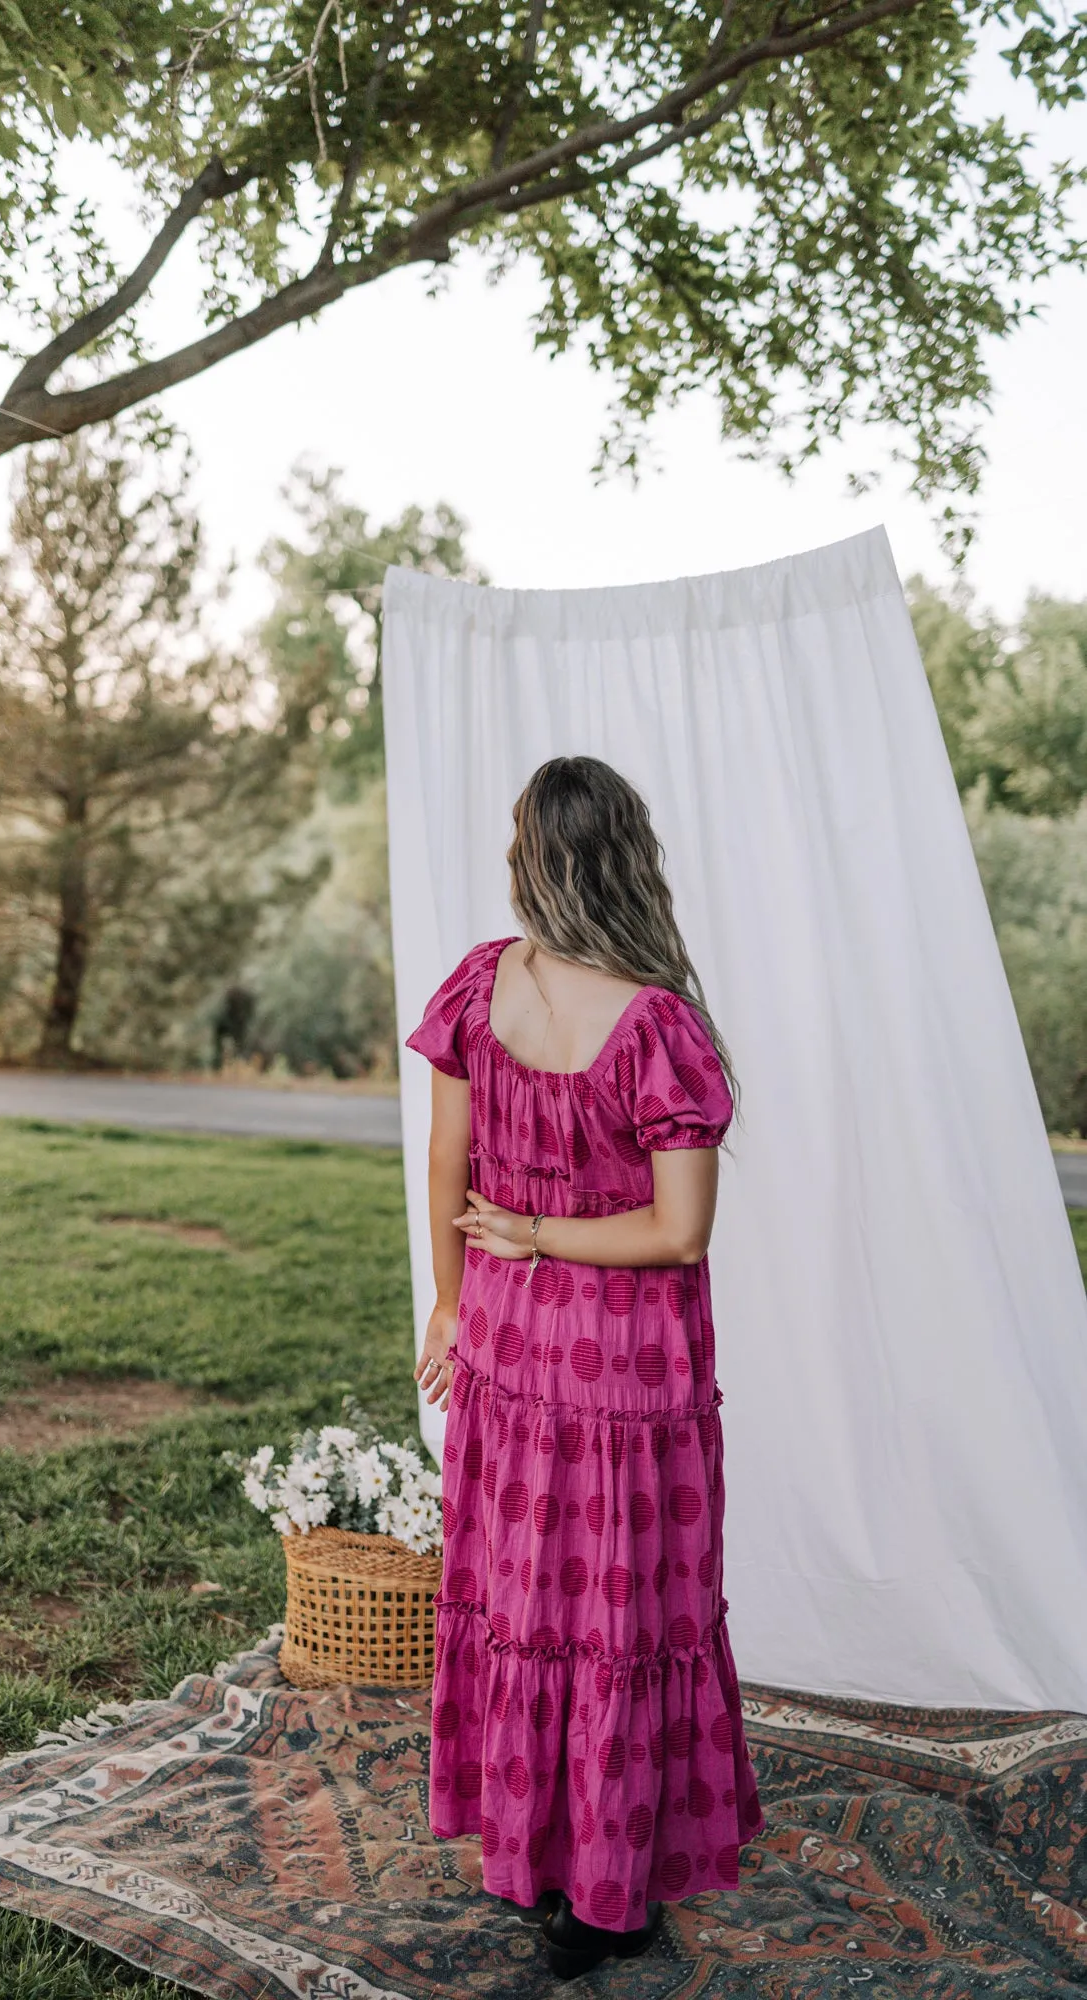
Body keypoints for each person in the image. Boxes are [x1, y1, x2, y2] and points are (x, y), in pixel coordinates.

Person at [406, 755, 764, 1981]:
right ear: (628, 857)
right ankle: (609, 1892)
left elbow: (444, 1159)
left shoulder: (478, 981)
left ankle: (537, 1852)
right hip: (621, 1370)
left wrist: (455, 1301)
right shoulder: (656, 1021)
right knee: (617, 1609)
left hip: (507, 1345)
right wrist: (544, 1235)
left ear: (528, 858)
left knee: (526, 1601)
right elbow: (677, 1231)